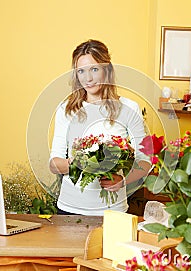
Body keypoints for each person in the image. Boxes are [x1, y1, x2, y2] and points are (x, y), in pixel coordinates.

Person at [49, 39, 151, 216]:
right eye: (81, 71)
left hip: (113, 211)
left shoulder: (129, 108)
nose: (87, 78)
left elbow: (145, 161)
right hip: (70, 209)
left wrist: (123, 181)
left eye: (94, 69)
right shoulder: (67, 109)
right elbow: (54, 163)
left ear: (107, 70)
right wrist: (76, 164)